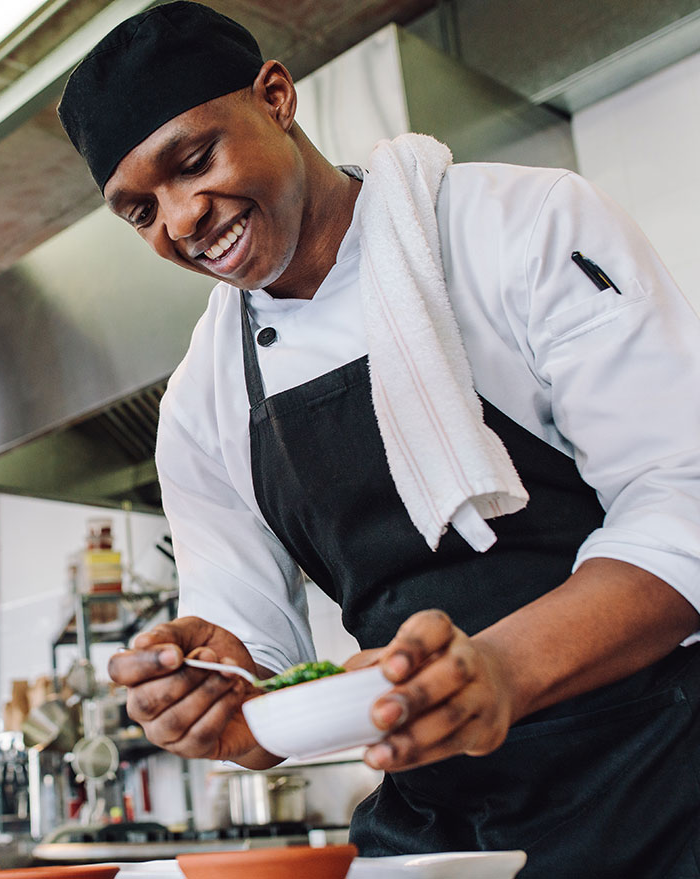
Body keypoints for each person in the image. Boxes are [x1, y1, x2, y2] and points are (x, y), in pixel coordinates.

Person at [56, 3, 700, 877]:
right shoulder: (202, 404)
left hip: (657, 780)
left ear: (277, 97)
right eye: (139, 211)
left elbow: (683, 504)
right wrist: (212, 694)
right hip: (433, 820)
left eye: (195, 160)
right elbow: (256, 669)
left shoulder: (521, 226)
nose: (181, 218)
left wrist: (499, 670)